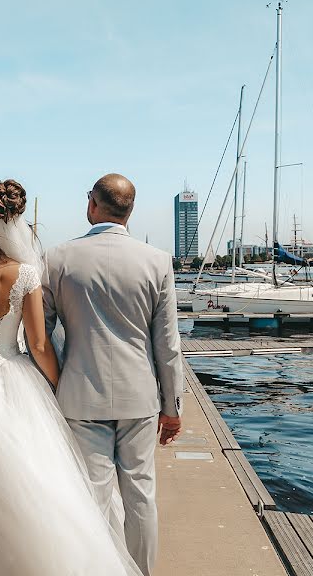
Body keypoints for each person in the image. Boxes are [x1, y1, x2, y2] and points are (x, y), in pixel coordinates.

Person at [0, 179, 143, 576]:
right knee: (26, 480)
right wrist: (59, 382)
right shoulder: (26, 275)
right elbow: (38, 343)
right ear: (13, 224)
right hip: (13, 382)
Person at [43, 173, 185, 576]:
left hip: (79, 395)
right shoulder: (157, 261)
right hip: (140, 397)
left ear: (92, 204)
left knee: (94, 495)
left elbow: (42, 335)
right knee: (141, 495)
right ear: (131, 210)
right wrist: (172, 406)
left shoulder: (57, 259)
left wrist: (55, 384)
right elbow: (168, 344)